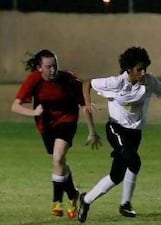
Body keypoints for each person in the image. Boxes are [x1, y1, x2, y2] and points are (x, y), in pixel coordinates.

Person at [77, 46, 161, 223]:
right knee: (134, 161)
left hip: (134, 133)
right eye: (139, 69)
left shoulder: (149, 80)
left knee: (116, 176)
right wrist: (87, 104)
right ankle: (126, 204)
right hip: (116, 129)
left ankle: (86, 200)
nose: (143, 72)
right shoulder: (116, 82)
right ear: (128, 69)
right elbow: (87, 83)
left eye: (145, 68)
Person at [11, 49, 100, 219]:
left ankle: (56, 201)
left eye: (55, 66)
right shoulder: (34, 80)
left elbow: (84, 106)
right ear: (39, 68)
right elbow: (15, 106)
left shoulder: (69, 80)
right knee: (59, 162)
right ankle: (73, 195)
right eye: (49, 67)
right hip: (45, 125)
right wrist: (34, 113)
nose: (53, 70)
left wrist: (92, 131)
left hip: (67, 121)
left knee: (58, 158)